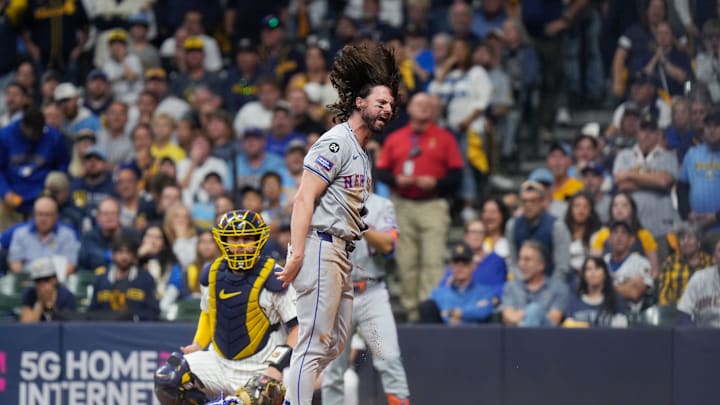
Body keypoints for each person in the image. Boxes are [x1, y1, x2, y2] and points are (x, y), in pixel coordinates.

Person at [275, 44, 400, 405]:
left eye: (391, 105)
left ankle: (283, 392)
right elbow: (303, 198)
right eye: (380, 102)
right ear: (360, 102)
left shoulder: (361, 155)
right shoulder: (335, 143)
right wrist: (297, 254)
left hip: (342, 253)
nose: (387, 109)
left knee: (334, 343)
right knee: (314, 343)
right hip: (319, 246)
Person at [154, 210, 298, 404]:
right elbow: (207, 313)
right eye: (234, 239)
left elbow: (298, 330)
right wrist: (198, 344)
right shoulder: (211, 273)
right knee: (167, 379)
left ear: (259, 239)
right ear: (224, 240)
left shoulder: (275, 276)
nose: (240, 245)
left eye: (247, 239)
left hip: (262, 368)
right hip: (219, 363)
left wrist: (276, 367)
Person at [375, 92, 464, 321]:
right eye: (419, 104)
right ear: (410, 109)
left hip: (433, 204)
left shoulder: (445, 138)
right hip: (402, 204)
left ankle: (430, 315)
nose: (424, 108)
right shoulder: (396, 138)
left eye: (428, 105)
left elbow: (456, 176)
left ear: (434, 111)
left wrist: (437, 183)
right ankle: (412, 313)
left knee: (433, 261)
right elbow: (381, 171)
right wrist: (396, 180)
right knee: (406, 262)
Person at [321, 192, 410, 405]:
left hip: (371, 295)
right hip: (338, 296)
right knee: (333, 369)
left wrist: (361, 224)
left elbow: (388, 245)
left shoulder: (380, 205)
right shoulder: (325, 203)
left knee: (388, 358)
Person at [421, 241, 496, 325]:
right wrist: (469, 313)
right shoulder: (438, 293)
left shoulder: (485, 292)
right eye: (456, 262)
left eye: (465, 262)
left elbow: (483, 312)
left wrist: (451, 313)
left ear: (473, 266)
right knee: (427, 306)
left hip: (475, 336)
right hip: (443, 336)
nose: (460, 267)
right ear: (450, 266)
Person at [88, 234, 159, 321]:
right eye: (120, 252)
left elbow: (153, 312)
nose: (124, 257)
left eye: (128, 252)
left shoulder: (146, 279)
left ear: (134, 256)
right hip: (105, 329)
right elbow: (92, 312)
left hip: (134, 330)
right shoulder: (101, 280)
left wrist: (132, 317)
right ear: (113, 255)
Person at [501, 240, 570, 327]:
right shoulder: (511, 287)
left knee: (534, 309)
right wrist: (530, 312)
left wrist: (528, 313)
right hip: (515, 336)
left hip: (546, 336)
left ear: (541, 265)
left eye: (527, 259)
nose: (522, 263)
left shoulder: (559, 288)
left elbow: (553, 320)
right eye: (520, 259)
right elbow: (508, 317)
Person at [563, 257, 628, 328]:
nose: (593, 272)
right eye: (589, 269)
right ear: (583, 274)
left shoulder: (616, 300)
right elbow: (568, 328)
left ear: (605, 273)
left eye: (597, 268)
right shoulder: (574, 301)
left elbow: (621, 329)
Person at [659, 222, 713, 306]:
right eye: (682, 238)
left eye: (690, 238)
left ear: (698, 242)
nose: (685, 242)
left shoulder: (710, 262)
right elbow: (663, 293)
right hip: (676, 310)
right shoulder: (670, 262)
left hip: (705, 310)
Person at [677, 239, 720, 327]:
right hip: (705, 336)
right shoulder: (700, 278)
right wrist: (692, 337)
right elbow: (684, 313)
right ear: (714, 258)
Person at [19, 257, 77, 323]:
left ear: (55, 279)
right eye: (38, 280)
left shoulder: (66, 296)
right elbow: (25, 326)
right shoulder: (29, 294)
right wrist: (40, 304)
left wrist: (51, 308)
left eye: (46, 279)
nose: (42, 284)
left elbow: (68, 326)